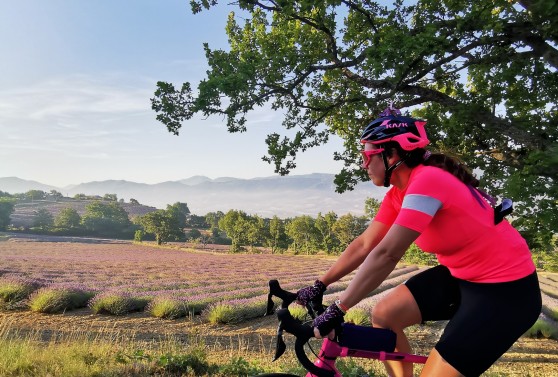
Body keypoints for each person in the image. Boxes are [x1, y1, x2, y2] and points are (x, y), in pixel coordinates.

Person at [296, 106, 542, 377]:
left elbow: (388, 253)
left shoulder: (428, 180)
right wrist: (321, 284)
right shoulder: (399, 194)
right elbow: (365, 244)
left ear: (391, 154)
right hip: (462, 277)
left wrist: (339, 308)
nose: (364, 164)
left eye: (368, 156)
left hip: (506, 293)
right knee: (385, 315)